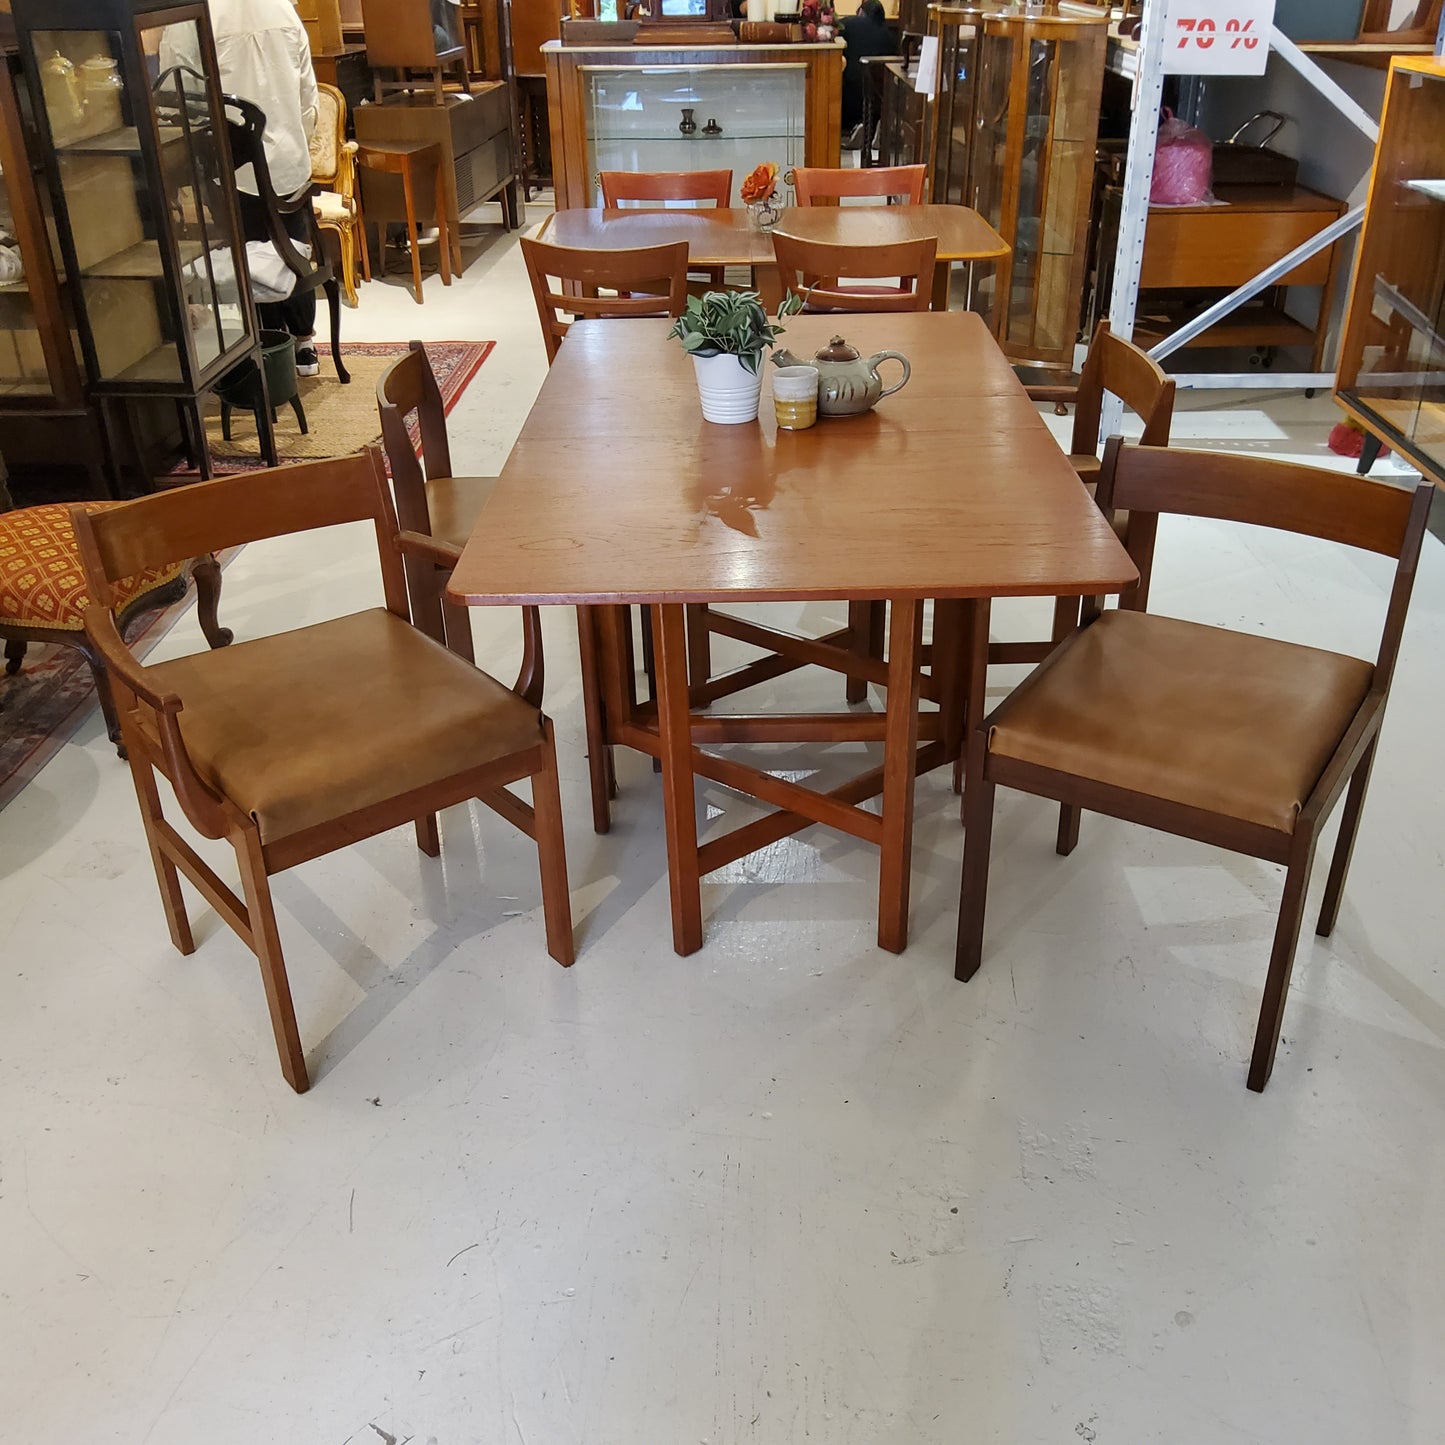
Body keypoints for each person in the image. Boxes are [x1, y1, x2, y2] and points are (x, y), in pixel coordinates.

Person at [161, 1, 322, 375]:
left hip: (228, 163)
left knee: (245, 256)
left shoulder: (192, 14)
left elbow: (176, 92)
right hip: (286, 158)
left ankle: (266, 344)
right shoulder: (281, 8)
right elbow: (306, 90)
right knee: (292, 248)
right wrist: (302, 141)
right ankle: (303, 344)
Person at [840, 0, 893, 149]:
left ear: (861, 12)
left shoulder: (850, 23)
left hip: (851, 98)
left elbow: (831, 29)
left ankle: (857, 127)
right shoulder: (888, 34)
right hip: (878, 100)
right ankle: (874, 128)